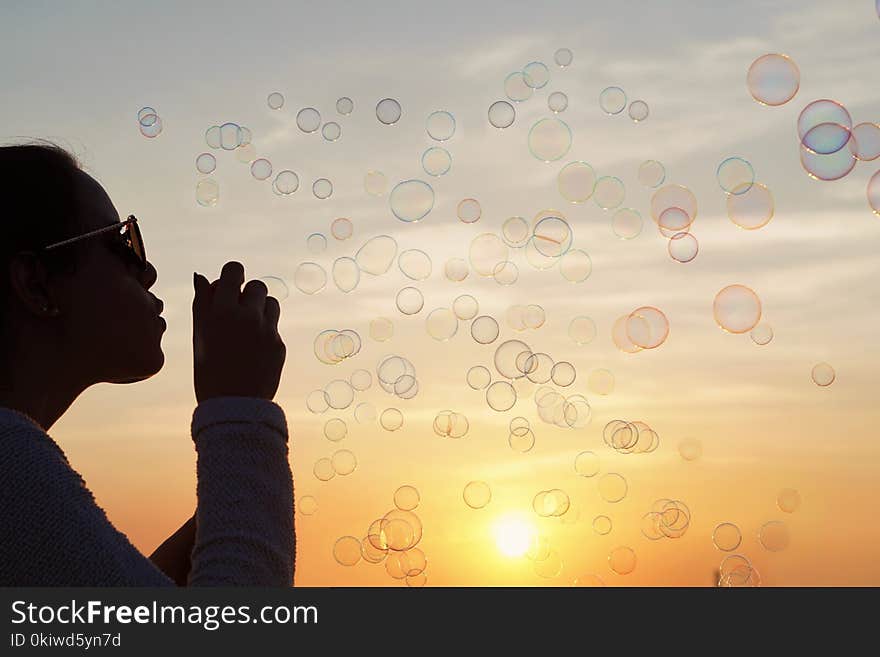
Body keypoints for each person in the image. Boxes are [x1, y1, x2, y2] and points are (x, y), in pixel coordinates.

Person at [0, 141, 295, 586]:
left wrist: (234, 501)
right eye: (123, 243)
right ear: (36, 284)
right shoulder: (11, 470)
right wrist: (240, 411)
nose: (148, 270)